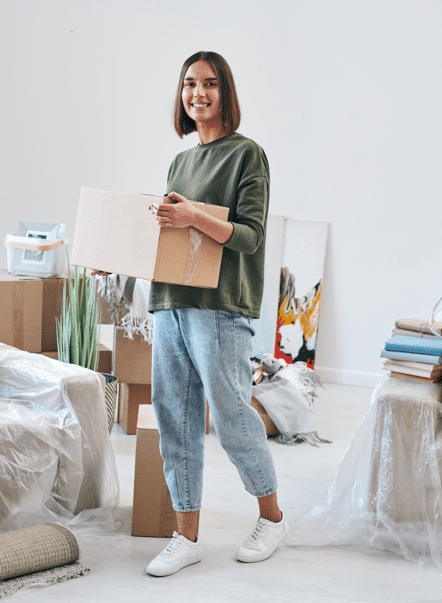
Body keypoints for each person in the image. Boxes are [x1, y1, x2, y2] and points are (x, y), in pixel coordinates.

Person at [145, 51, 286, 578]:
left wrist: (193, 215)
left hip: (221, 307)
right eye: (189, 83)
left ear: (225, 92)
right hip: (171, 304)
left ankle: (272, 518)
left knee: (231, 417)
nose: (197, 93)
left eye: (209, 83)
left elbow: (249, 237)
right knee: (175, 420)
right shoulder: (180, 163)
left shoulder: (247, 155)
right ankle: (186, 537)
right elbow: (172, 238)